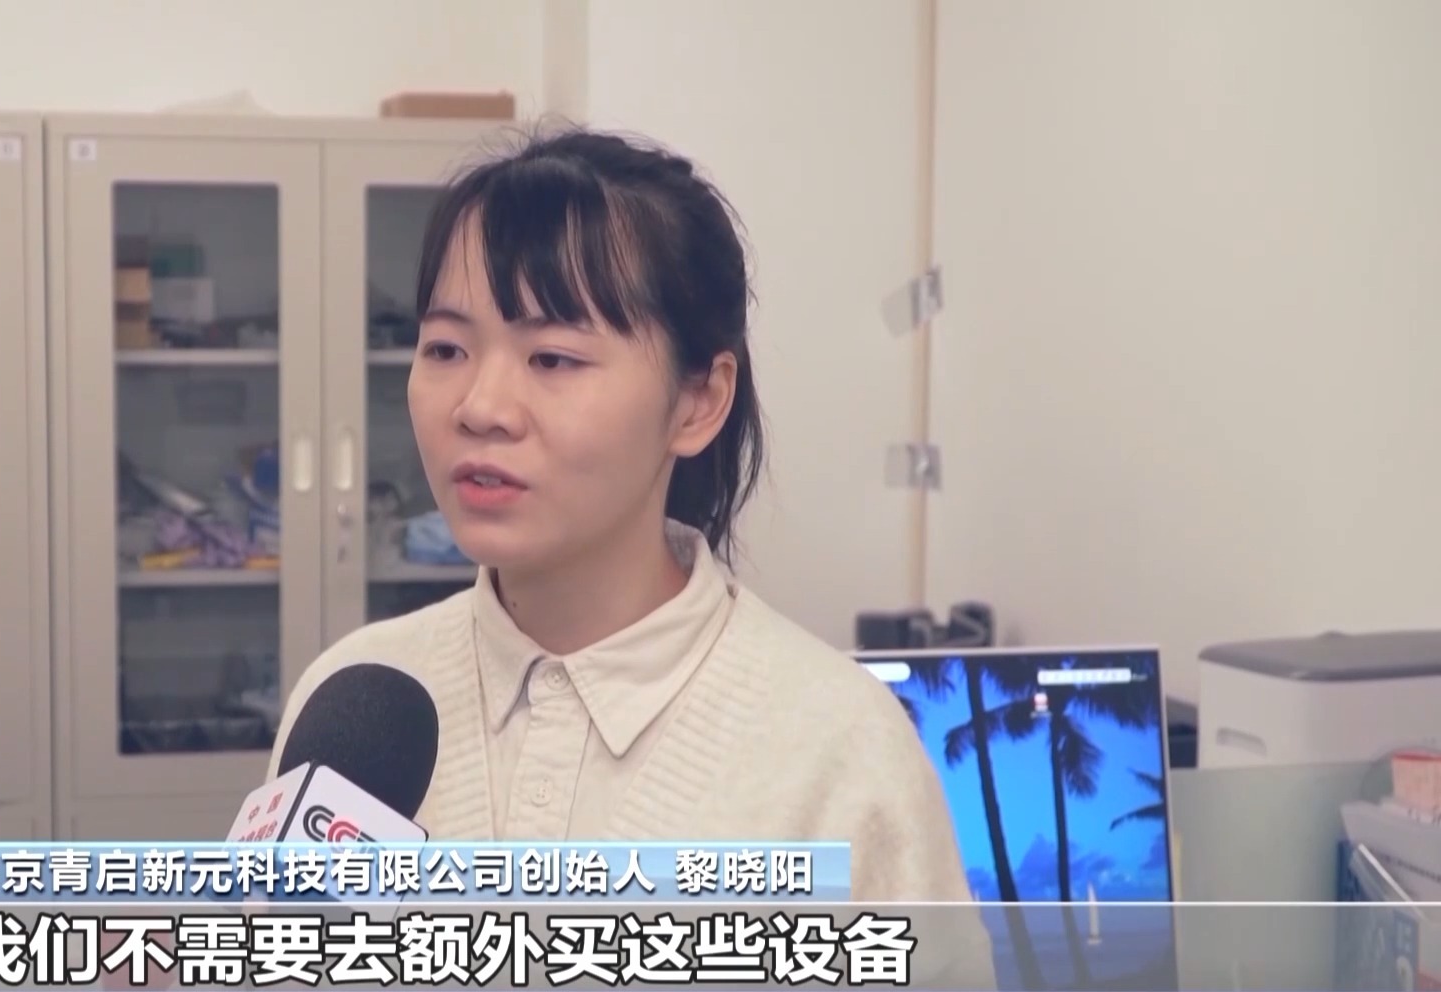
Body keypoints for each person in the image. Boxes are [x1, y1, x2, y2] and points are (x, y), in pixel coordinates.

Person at [271, 126, 998, 989]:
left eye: (553, 357)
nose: (480, 405)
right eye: (446, 349)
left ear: (698, 402)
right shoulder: (352, 702)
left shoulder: (838, 751)